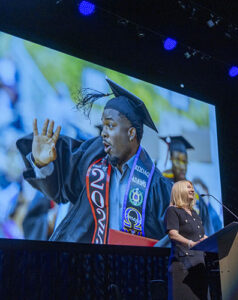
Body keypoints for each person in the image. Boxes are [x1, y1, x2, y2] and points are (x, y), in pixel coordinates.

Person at [16, 78, 172, 244]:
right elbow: (62, 186)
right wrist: (43, 164)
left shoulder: (155, 185)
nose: (104, 133)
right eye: (103, 126)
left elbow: (172, 237)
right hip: (88, 262)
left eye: (110, 126)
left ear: (131, 134)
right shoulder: (92, 161)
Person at [165, 180, 210, 300]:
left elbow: (201, 236)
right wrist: (191, 243)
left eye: (192, 187)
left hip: (199, 265)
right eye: (188, 187)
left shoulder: (195, 213)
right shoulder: (172, 210)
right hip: (183, 266)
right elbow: (173, 234)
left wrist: (213, 240)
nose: (192, 190)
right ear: (179, 190)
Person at [161, 136, 214, 236]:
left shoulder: (195, 195)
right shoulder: (162, 185)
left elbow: (207, 226)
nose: (182, 166)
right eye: (178, 160)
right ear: (171, 160)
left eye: (184, 162)